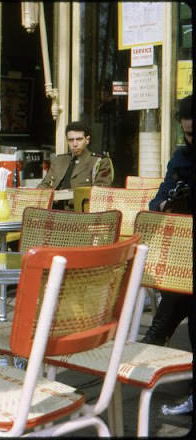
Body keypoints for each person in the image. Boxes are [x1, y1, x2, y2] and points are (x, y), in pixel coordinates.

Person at [141, 95, 194, 416]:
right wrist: (165, 203)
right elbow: (158, 199)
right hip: (181, 254)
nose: (192, 140)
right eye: (188, 134)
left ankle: (156, 333)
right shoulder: (181, 158)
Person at [37, 121, 113, 197]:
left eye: (79, 139)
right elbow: (44, 186)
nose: (75, 144)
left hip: (80, 207)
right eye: (71, 140)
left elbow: (100, 194)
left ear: (87, 140)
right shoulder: (59, 161)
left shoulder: (99, 162)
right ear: (67, 140)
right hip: (53, 207)